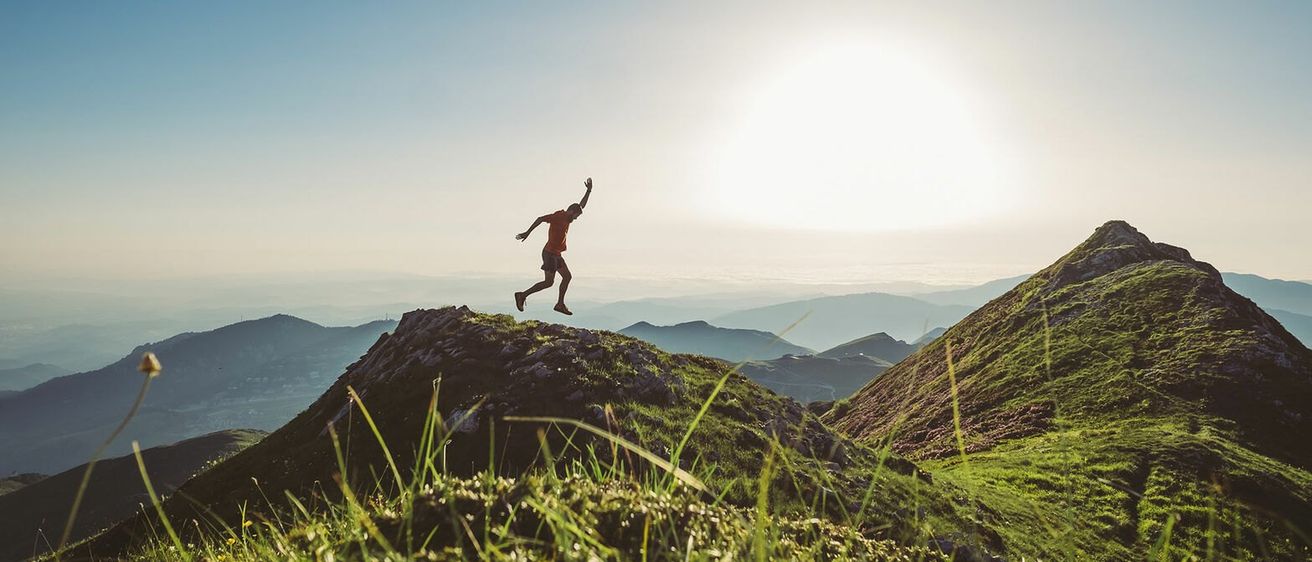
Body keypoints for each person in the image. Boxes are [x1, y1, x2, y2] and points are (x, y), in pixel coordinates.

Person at [514, 177, 593, 315]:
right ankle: (522, 295)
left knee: (567, 277)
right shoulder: (558, 216)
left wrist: (589, 191)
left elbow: (581, 205)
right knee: (548, 282)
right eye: (576, 216)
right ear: (571, 212)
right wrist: (527, 232)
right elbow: (540, 219)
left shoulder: (568, 217)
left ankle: (560, 304)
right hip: (549, 253)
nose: (576, 219)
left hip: (556, 254)